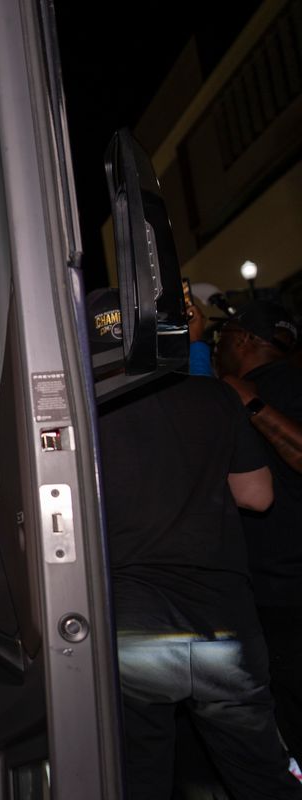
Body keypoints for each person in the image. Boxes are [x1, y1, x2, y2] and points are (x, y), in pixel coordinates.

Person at [88, 288, 302, 799]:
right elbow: (257, 495)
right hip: (222, 621)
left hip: (133, 624)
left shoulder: (85, 408)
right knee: (261, 777)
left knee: (143, 777)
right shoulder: (214, 396)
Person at [213, 299, 302, 768]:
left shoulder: (269, 389)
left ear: (246, 339)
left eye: (222, 336)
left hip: (286, 587)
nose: (217, 346)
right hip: (266, 586)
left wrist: (250, 403)